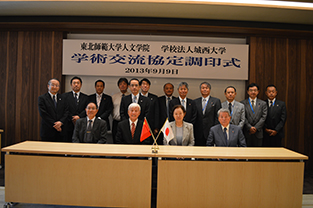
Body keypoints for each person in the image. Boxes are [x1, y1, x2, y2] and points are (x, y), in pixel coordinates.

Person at [194, 82, 221, 146]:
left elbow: (218, 117)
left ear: (210, 89)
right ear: (200, 90)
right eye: (203, 88)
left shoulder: (216, 101)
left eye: (206, 88)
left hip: (211, 131)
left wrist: (215, 130)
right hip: (198, 132)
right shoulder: (195, 101)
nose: (205, 89)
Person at [62, 76, 89, 142]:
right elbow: (64, 109)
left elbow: (87, 109)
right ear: (71, 85)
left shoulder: (86, 97)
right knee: (68, 142)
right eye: (74, 83)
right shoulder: (64, 96)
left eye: (78, 83)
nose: (76, 85)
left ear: (81, 85)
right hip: (68, 123)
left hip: (82, 124)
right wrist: (72, 118)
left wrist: (79, 116)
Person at [111, 78, 130, 143]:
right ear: (118, 86)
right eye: (120, 84)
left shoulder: (130, 96)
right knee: (116, 140)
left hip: (127, 122)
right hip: (116, 122)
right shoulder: (114, 97)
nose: (122, 85)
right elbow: (111, 109)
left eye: (124, 84)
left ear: (127, 86)